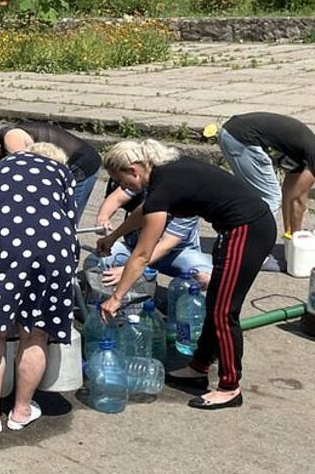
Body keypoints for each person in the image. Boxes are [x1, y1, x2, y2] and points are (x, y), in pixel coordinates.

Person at [98, 140, 276, 410]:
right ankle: (199, 366)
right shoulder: (163, 171)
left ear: (133, 170)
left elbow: (143, 255)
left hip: (247, 230)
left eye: (121, 180)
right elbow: (144, 211)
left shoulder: (163, 184)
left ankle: (230, 387)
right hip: (240, 228)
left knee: (224, 312)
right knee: (216, 304)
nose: (126, 188)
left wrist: (117, 297)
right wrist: (113, 237)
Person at [0, 143, 78, 433]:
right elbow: (70, 221)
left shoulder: (1, 168)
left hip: (2, 245)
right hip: (54, 249)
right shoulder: (62, 172)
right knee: (36, 332)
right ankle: (21, 411)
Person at [219, 112, 315, 269]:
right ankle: (256, 254)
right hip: (241, 139)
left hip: (232, 133)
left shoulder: (300, 154)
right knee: (269, 196)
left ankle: (241, 240)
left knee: (263, 195)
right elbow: (298, 201)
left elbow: (290, 196)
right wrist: (297, 239)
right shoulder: (312, 155)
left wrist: (291, 240)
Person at [0, 123, 101, 217]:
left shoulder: (11, 139)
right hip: (66, 165)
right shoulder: (5, 141)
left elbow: (28, 174)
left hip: (81, 165)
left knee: (65, 217)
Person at [95, 182, 212, 288]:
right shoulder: (148, 180)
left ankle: (177, 297)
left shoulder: (189, 200)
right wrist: (103, 218)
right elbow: (117, 197)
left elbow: (166, 245)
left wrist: (129, 269)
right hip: (136, 248)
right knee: (98, 261)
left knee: (206, 278)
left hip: (176, 254)